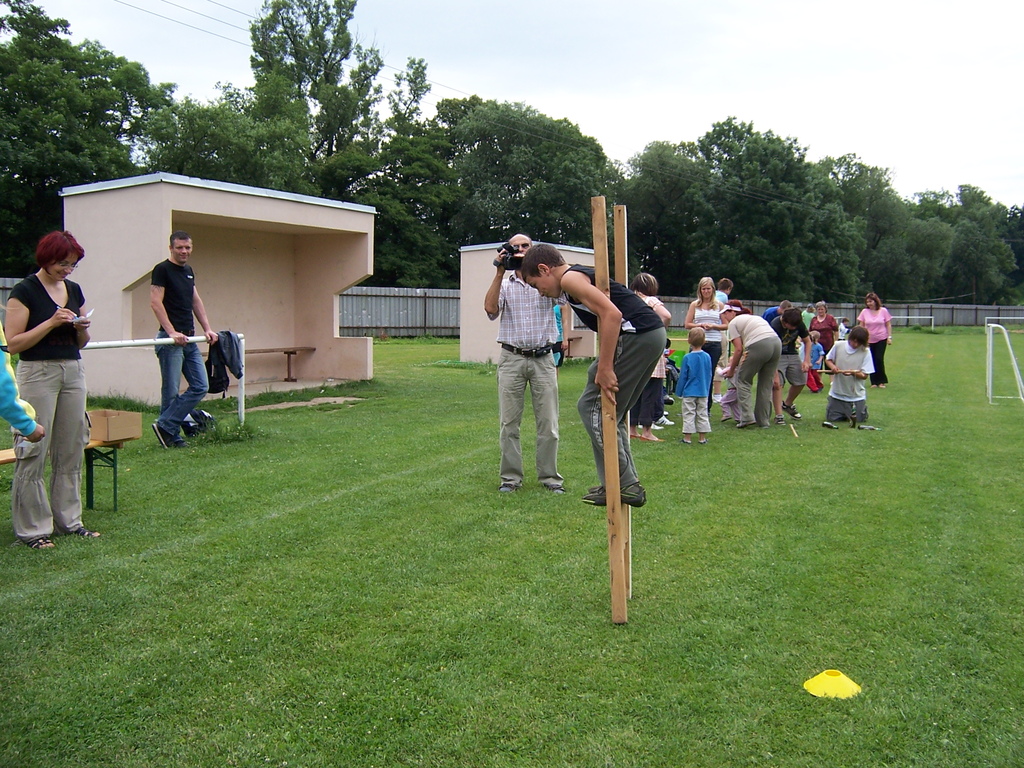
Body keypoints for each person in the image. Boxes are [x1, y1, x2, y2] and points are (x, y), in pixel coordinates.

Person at [521, 245, 666, 508]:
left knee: (591, 406)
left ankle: (625, 483)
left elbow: (612, 315)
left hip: (637, 335)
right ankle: (620, 482)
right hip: (651, 335)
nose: (538, 291)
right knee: (615, 411)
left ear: (545, 269)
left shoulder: (570, 279)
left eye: (534, 283)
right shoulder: (574, 279)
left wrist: (605, 367)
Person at [4, 231, 93, 549]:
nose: (68, 270)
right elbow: (12, 344)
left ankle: (70, 521)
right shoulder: (24, 291)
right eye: (62, 264)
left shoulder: (73, 290)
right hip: (37, 373)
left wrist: (81, 329)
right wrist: (51, 323)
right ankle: (33, 530)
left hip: (72, 371)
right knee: (34, 449)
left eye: (72, 265)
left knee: (70, 448)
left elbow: (83, 342)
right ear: (46, 259)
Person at [484, 234, 567, 494]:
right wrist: (499, 271)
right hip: (511, 358)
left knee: (549, 424)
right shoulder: (505, 283)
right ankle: (510, 479)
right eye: (514, 247)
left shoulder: (545, 279)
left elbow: (566, 298)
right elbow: (490, 310)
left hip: (543, 359)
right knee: (509, 424)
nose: (519, 250)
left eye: (525, 247)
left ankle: (550, 479)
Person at [150, 231, 219, 448]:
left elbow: (195, 301)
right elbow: (155, 302)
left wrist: (207, 328)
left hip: (190, 338)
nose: (184, 251)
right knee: (171, 391)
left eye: (187, 247)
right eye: (179, 247)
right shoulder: (162, 270)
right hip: (170, 340)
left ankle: (165, 424)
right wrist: (171, 332)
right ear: (171, 248)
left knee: (200, 385)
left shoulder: (188, 271)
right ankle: (171, 435)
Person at [719, 301, 781, 429]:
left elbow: (738, 349)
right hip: (776, 343)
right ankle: (764, 421)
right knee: (765, 384)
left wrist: (731, 370)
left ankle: (746, 417)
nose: (724, 317)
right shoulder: (754, 318)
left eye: (725, 314)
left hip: (759, 344)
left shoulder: (733, 323)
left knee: (743, 380)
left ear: (732, 312)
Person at [627, 273, 672, 442]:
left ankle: (632, 427)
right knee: (652, 391)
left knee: (636, 392)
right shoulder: (651, 301)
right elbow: (666, 315)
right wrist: (659, 329)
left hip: (635, 350)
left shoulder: (630, 301)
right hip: (652, 349)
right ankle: (647, 430)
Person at [683, 276, 727, 412]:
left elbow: (726, 325)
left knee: (709, 374)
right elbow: (687, 324)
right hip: (698, 343)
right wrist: (699, 325)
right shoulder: (694, 305)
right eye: (703, 289)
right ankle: (691, 405)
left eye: (708, 289)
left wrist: (714, 326)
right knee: (694, 374)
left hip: (714, 343)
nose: (706, 291)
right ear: (700, 290)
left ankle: (705, 408)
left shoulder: (719, 305)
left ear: (712, 289)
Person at [823, 325, 874, 425]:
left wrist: (853, 373)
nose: (855, 344)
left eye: (858, 342)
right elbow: (828, 359)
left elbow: (865, 375)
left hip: (856, 395)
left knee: (859, 419)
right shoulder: (838, 345)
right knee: (833, 419)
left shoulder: (865, 352)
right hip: (837, 393)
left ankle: (859, 410)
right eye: (853, 341)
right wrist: (833, 367)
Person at [770, 307, 812, 424]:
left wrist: (806, 360)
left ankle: (787, 404)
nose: (794, 329)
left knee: (801, 380)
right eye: (792, 326)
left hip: (792, 353)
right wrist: (775, 375)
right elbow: (772, 350)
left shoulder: (798, 323)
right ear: (784, 321)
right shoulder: (775, 325)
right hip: (776, 355)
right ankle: (779, 416)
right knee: (778, 384)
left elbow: (807, 341)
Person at [679, 327, 712, 444]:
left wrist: (679, 391)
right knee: (702, 413)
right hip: (703, 390)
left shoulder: (687, 357)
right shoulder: (707, 357)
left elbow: (683, 375)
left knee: (689, 413)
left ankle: (687, 438)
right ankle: (702, 438)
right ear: (704, 341)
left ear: (689, 340)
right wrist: (707, 388)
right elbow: (709, 374)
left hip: (689, 391)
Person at [857, 292, 893, 388]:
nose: (869, 303)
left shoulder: (883, 311)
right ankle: (874, 382)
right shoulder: (864, 312)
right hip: (868, 339)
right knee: (871, 360)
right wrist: (861, 339)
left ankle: (881, 381)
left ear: (875, 301)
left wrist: (889, 337)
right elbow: (861, 326)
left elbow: (888, 324)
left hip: (881, 338)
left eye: (871, 301)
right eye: (867, 302)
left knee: (879, 359)